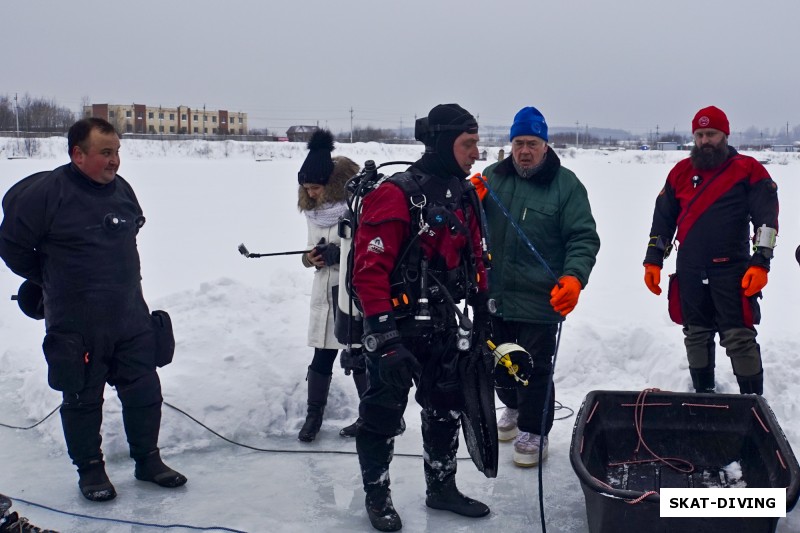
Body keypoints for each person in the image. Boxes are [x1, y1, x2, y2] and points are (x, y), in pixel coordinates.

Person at [0, 118, 186, 502]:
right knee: (82, 400)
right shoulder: (48, 194)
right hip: (76, 321)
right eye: (106, 152)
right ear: (78, 154)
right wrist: (51, 277)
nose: (115, 160)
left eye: (117, 151)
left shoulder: (122, 191)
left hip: (129, 313)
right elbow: (13, 247)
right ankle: (91, 471)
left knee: (145, 391)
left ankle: (148, 461)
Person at [351, 103, 491, 532]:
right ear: (444, 142)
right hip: (397, 328)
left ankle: (441, 487)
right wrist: (385, 337)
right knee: (382, 414)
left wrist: (484, 308)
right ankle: (377, 496)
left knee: (445, 408)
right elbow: (367, 274)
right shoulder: (395, 194)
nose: (476, 153)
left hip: (445, 324)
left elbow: (477, 257)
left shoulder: (464, 193)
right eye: (468, 144)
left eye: (477, 144)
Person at [475, 106, 600, 468]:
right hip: (495, 295)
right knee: (500, 361)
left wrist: (574, 277)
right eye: (518, 143)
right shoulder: (491, 178)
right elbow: (468, 229)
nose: (524, 151)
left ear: (545, 145)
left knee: (535, 368)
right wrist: (470, 201)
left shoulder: (567, 186)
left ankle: (535, 428)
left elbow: (583, 239)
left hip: (541, 299)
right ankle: (512, 408)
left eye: (532, 143)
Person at [643, 106, 779, 395]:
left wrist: (761, 262)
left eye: (712, 134)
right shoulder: (680, 172)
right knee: (695, 334)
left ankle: (754, 405)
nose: (705, 141)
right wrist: (653, 260)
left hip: (733, 271)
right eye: (700, 134)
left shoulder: (749, 170)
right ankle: (703, 396)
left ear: (725, 135)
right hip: (690, 269)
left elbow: (766, 221)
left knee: (739, 337)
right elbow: (663, 221)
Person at [296, 129, 366, 441]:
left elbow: (369, 249)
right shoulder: (313, 211)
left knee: (358, 355)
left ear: (329, 185)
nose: (311, 194)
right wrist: (310, 258)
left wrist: (342, 254)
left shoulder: (356, 206)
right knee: (322, 356)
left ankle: (373, 415)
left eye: (315, 188)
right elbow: (307, 250)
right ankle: (314, 416)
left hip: (351, 292)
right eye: (306, 188)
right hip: (323, 293)